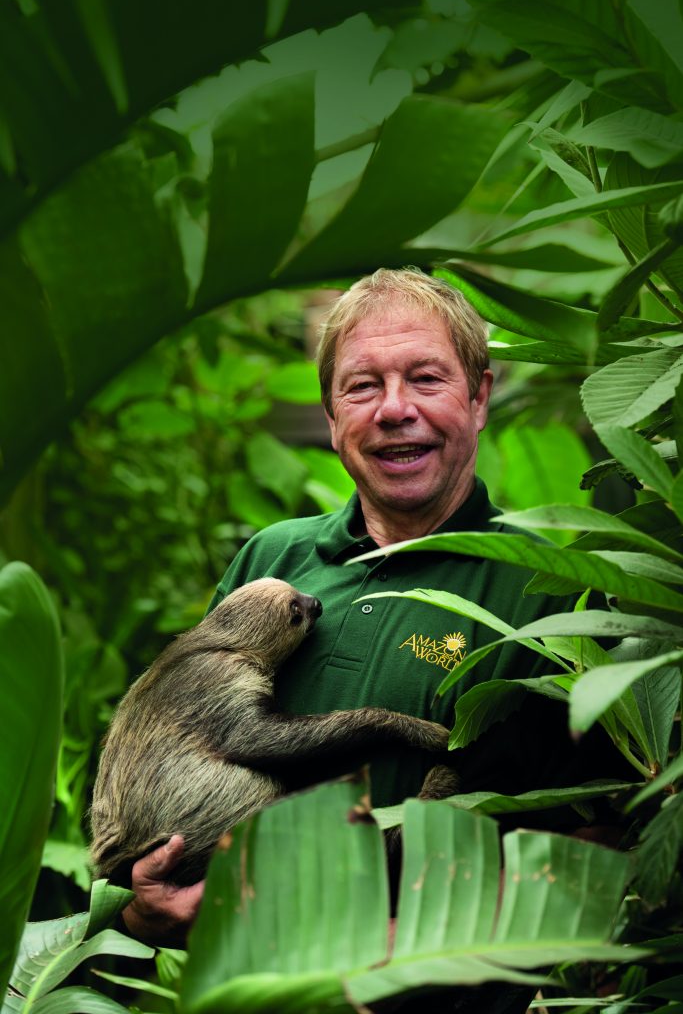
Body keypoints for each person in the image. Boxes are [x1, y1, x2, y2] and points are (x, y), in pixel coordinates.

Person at [120, 268, 611, 948]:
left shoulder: (547, 589)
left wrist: (391, 943)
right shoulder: (270, 565)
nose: (393, 409)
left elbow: (597, 845)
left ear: (478, 397)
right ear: (330, 417)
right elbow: (180, 756)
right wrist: (145, 912)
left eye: (426, 379)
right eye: (362, 385)